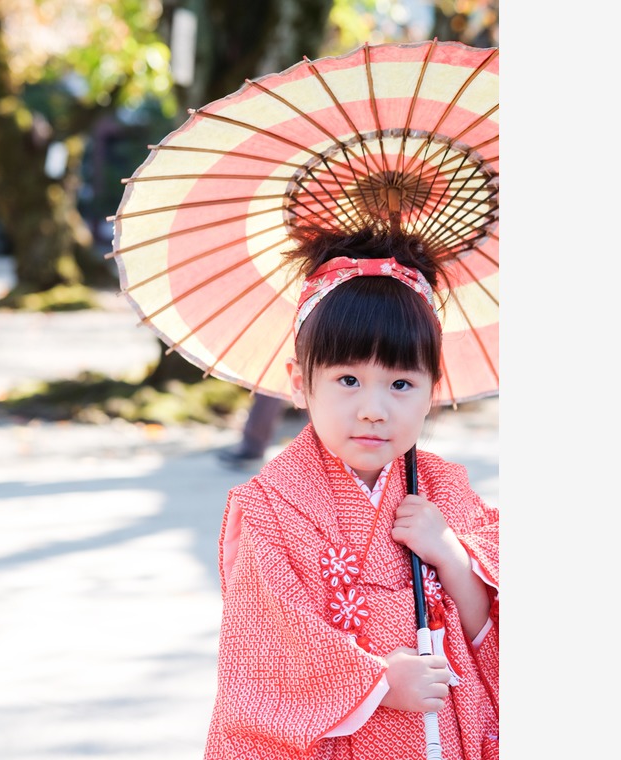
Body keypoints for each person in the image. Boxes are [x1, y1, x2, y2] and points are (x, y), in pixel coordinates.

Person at [203, 226, 500, 760]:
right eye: (347, 379)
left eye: (401, 384)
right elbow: (267, 656)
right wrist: (381, 682)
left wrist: (451, 556)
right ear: (299, 382)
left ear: (434, 388)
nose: (373, 409)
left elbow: (490, 627)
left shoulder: (447, 492)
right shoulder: (270, 508)